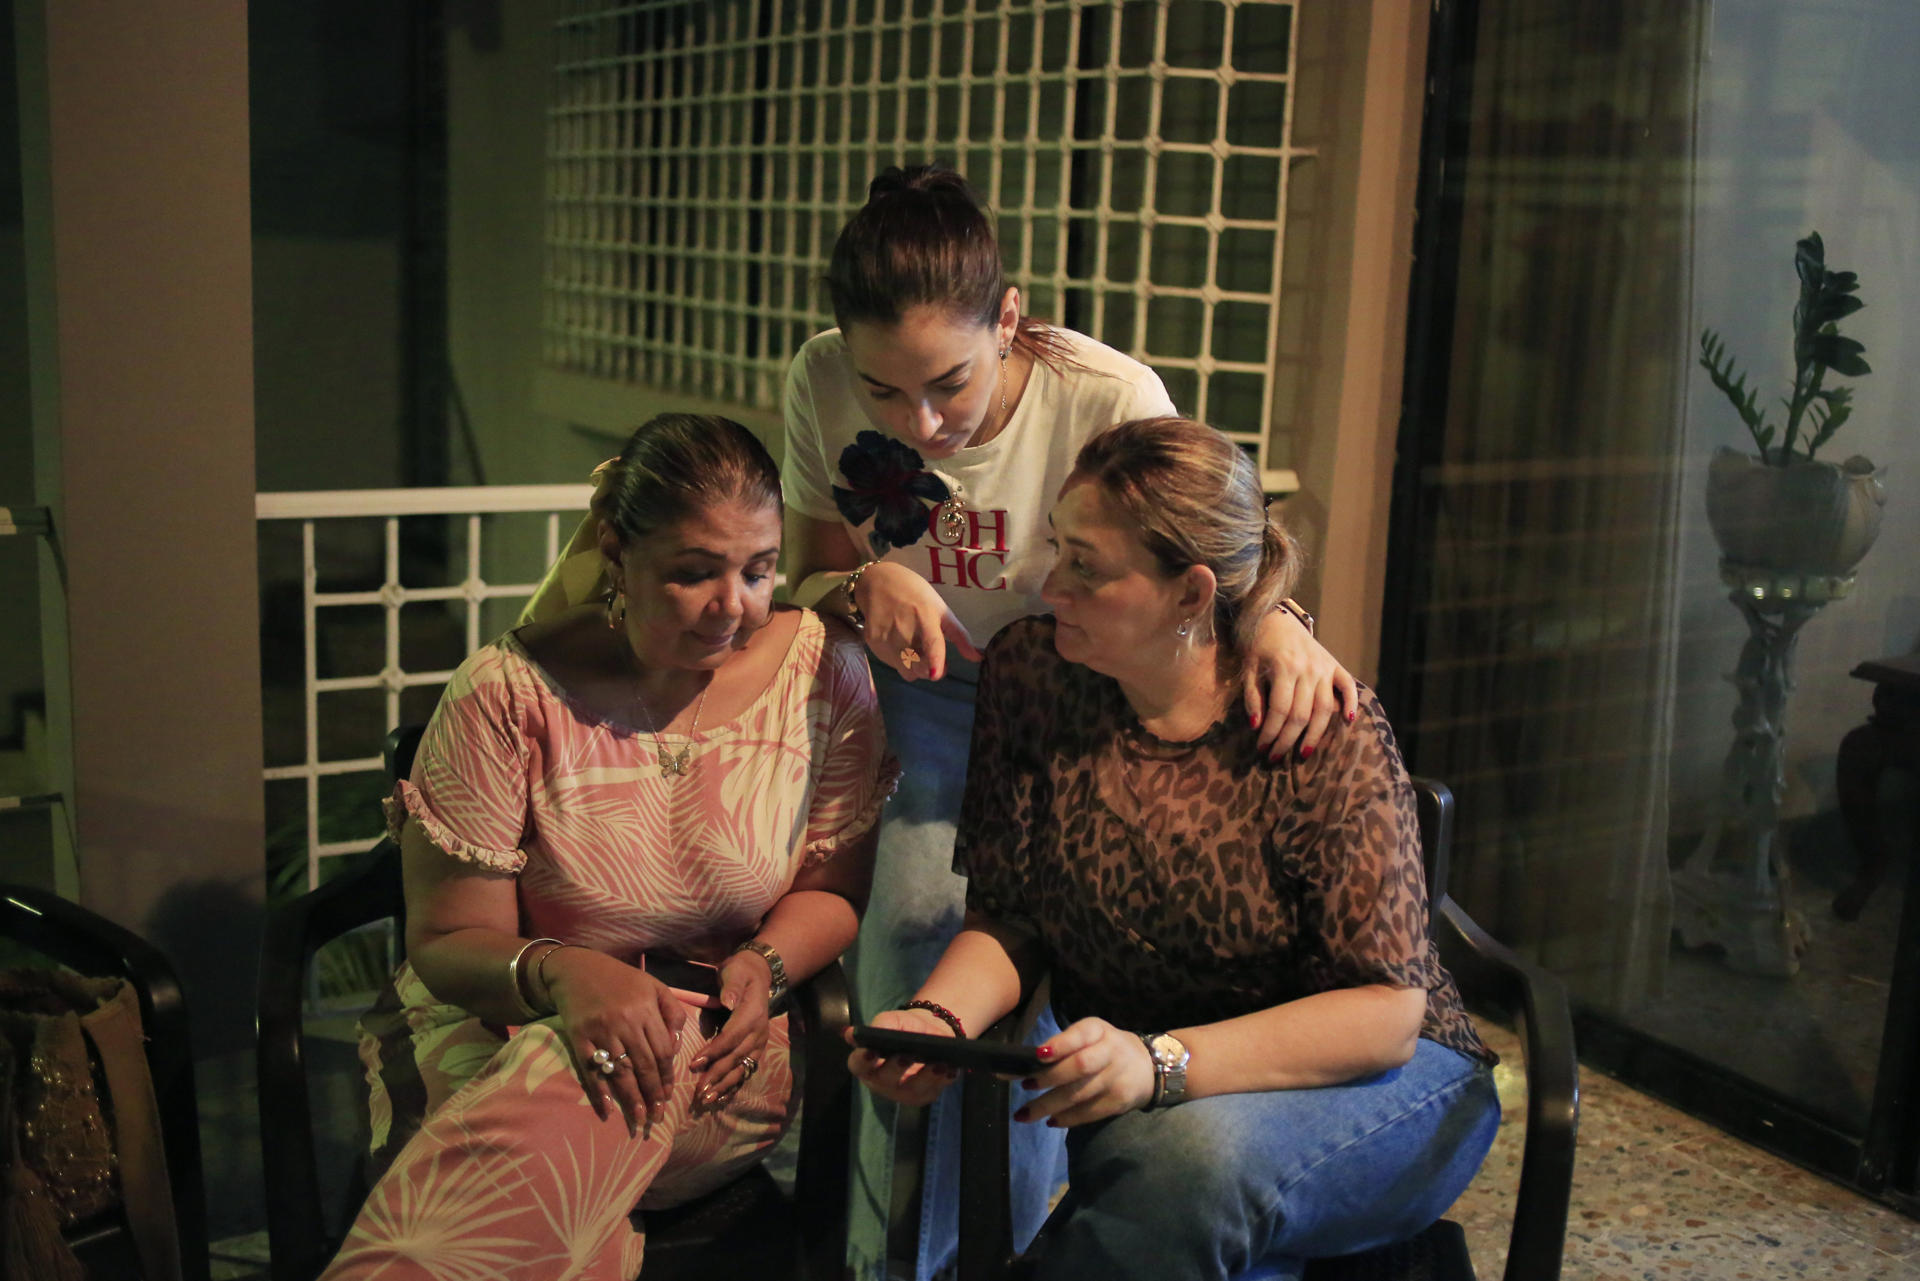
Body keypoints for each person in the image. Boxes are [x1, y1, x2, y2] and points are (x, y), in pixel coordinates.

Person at [779, 165, 1360, 1280]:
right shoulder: (815, 375)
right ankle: (900, 1253)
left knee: (1063, 937)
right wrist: (862, 588)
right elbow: (807, 571)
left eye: (948, 382)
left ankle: (1029, 1238)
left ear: (1009, 319)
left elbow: (1205, 539)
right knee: (911, 935)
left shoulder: (1104, 393)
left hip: (1081, 684)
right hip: (931, 679)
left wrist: (1278, 620)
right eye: (886, 395)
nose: (924, 423)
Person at [850, 417, 1500, 1280]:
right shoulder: (1035, 676)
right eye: (1056, 548)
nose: (1049, 584)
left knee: (1184, 1157)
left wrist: (1163, 1062)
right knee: (1173, 1170)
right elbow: (1010, 916)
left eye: (1088, 566)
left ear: (1192, 594)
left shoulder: (1316, 727)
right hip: (1162, 1093)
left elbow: (1384, 1015)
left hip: (1382, 1080)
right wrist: (935, 1020)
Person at [321, 414, 898, 1279]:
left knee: (621, 1061)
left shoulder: (822, 674)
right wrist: (566, 974)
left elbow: (833, 889)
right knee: (568, 1066)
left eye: (759, 569)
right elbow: (444, 942)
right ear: (615, 549)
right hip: (495, 1024)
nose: (733, 607)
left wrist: (765, 966)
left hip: (713, 1047)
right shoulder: (509, 695)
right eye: (694, 573)